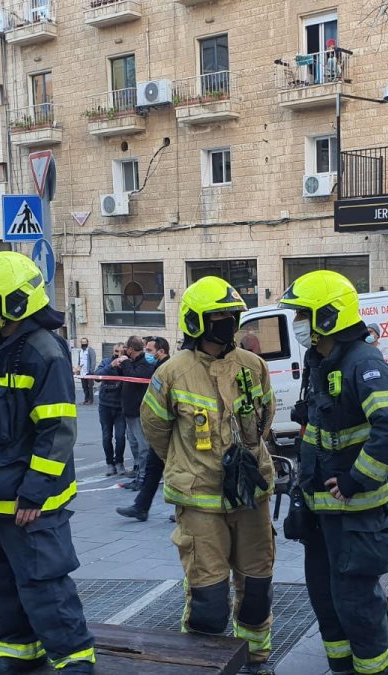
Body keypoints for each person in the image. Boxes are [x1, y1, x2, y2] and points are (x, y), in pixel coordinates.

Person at [0, 251, 96, 674]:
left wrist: (34, 491)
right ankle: (19, 650)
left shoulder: (45, 352)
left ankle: (74, 657)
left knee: (42, 580)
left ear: (14, 301)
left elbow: (57, 431)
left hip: (27, 500)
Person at [140, 276, 277, 674]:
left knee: (256, 586)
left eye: (232, 316)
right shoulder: (171, 373)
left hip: (251, 496)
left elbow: (264, 422)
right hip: (200, 501)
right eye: (219, 317)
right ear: (197, 322)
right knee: (208, 595)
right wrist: (187, 466)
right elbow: (156, 431)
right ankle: (203, 664)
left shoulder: (253, 367)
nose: (228, 324)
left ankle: (256, 659)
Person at [280, 270, 388, 675]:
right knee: (327, 602)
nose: (298, 323)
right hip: (323, 516)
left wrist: (357, 478)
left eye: (303, 314)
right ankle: (341, 669)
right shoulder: (322, 360)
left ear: (326, 317)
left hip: (357, 516)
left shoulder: (364, 363)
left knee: (358, 608)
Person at [117, 336, 171, 522]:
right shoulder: (159, 367)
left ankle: (184, 509)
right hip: (162, 426)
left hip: (170, 427)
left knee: (172, 468)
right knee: (154, 466)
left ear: (161, 351)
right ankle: (141, 507)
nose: (147, 354)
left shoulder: (168, 368)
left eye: (149, 350)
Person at [99, 336, 156, 491]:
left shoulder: (145, 364)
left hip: (138, 411)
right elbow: (105, 374)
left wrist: (124, 362)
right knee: (135, 444)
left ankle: (144, 478)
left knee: (143, 446)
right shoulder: (131, 363)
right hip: (128, 411)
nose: (124, 351)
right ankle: (138, 475)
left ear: (131, 349)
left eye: (125, 348)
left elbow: (133, 378)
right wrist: (115, 363)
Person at [94, 345, 128, 476]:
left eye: (121, 352)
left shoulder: (127, 363)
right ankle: (110, 463)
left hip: (120, 407)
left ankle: (119, 462)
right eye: (116, 351)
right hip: (105, 405)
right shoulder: (106, 362)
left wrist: (124, 364)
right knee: (107, 436)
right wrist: (112, 365)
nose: (118, 354)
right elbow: (97, 376)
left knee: (120, 437)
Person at [76, 338, 97, 405]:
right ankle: (86, 399)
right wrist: (78, 370)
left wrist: (91, 370)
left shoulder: (90, 350)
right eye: (82, 342)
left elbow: (93, 361)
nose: (83, 343)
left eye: (85, 342)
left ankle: (91, 400)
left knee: (90, 386)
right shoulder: (80, 351)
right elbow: (79, 361)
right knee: (84, 387)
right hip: (82, 373)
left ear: (87, 342)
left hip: (88, 372)